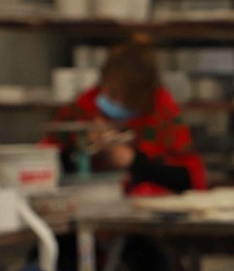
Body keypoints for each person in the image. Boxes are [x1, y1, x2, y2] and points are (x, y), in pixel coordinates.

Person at [48, 42, 206, 196]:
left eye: (122, 96)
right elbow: (48, 160)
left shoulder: (162, 111)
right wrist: (82, 146)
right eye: (110, 92)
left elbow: (188, 179)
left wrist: (133, 161)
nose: (113, 101)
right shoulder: (84, 107)